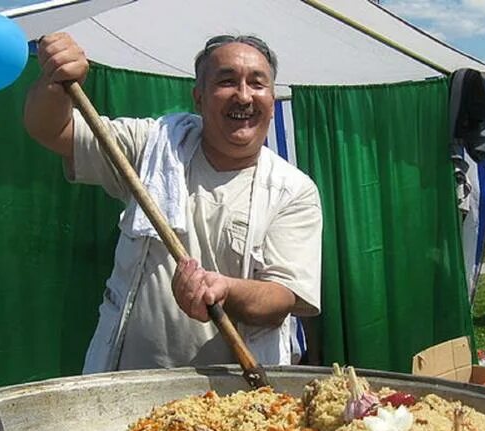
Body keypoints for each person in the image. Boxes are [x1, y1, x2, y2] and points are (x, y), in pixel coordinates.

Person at [23, 33, 322, 372]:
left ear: (272, 98)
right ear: (199, 97)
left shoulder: (293, 190)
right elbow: (51, 130)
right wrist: (54, 80)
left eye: (257, 84)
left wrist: (225, 289)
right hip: (129, 380)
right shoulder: (152, 146)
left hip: (235, 394)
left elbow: (283, 296)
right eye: (226, 81)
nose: (243, 95)